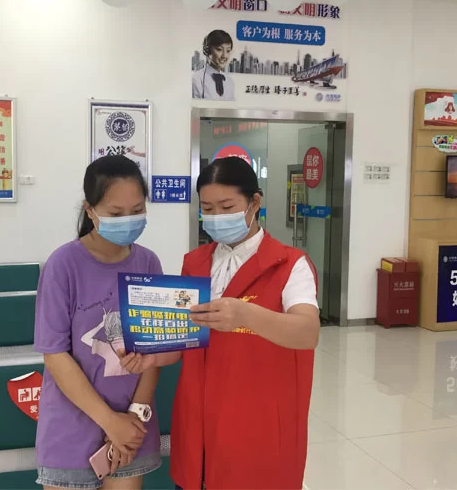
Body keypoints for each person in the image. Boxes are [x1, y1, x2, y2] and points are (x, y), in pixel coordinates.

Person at [119, 156, 320, 490]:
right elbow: (185, 341)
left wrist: (245, 314)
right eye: (207, 209)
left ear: (254, 202)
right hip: (199, 418)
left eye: (227, 207)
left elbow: (307, 332)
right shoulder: (195, 263)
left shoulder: (289, 265)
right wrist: (152, 357)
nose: (216, 217)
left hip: (257, 421)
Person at [34, 155, 163, 490]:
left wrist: (133, 415)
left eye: (137, 210)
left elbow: (156, 352)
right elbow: (55, 355)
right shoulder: (63, 265)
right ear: (89, 210)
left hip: (132, 429)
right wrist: (110, 422)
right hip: (71, 428)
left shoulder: (148, 263)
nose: (128, 220)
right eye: (116, 214)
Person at [191, 30, 235, 101]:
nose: (224, 55)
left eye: (228, 51)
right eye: (219, 49)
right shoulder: (197, 79)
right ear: (208, 51)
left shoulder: (229, 81)